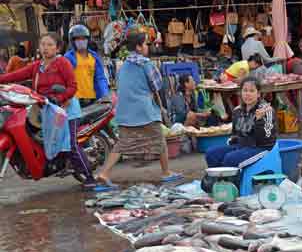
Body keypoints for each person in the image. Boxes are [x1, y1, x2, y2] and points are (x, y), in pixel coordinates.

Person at [0, 33, 96, 188]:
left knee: (70, 145)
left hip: (66, 110)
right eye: (43, 44)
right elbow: (15, 75)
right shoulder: (37, 66)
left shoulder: (62, 63)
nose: (45, 48)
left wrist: (60, 98)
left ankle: (90, 178)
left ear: (57, 47)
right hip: (48, 111)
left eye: (50, 44)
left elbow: (73, 87)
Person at [96, 30, 180, 186]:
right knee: (160, 139)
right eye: (146, 44)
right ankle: (166, 171)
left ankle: (104, 172)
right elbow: (157, 85)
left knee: (122, 144)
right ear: (139, 47)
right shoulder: (146, 64)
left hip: (124, 112)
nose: (148, 46)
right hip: (144, 111)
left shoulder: (122, 66)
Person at [205, 76, 276, 168]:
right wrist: (233, 141)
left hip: (261, 148)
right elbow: (235, 134)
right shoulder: (237, 111)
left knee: (230, 159)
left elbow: (267, 140)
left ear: (258, 94)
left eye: (251, 91)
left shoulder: (266, 110)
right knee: (211, 153)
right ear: (240, 92)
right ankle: (219, 179)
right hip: (242, 145)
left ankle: (233, 181)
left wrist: (259, 121)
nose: (248, 94)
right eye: (245, 90)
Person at [64, 24, 109, 108]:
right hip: (74, 100)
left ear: (88, 39)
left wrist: (104, 94)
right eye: (77, 39)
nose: (81, 41)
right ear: (72, 41)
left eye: (84, 38)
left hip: (92, 99)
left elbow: (100, 77)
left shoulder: (94, 56)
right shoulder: (68, 57)